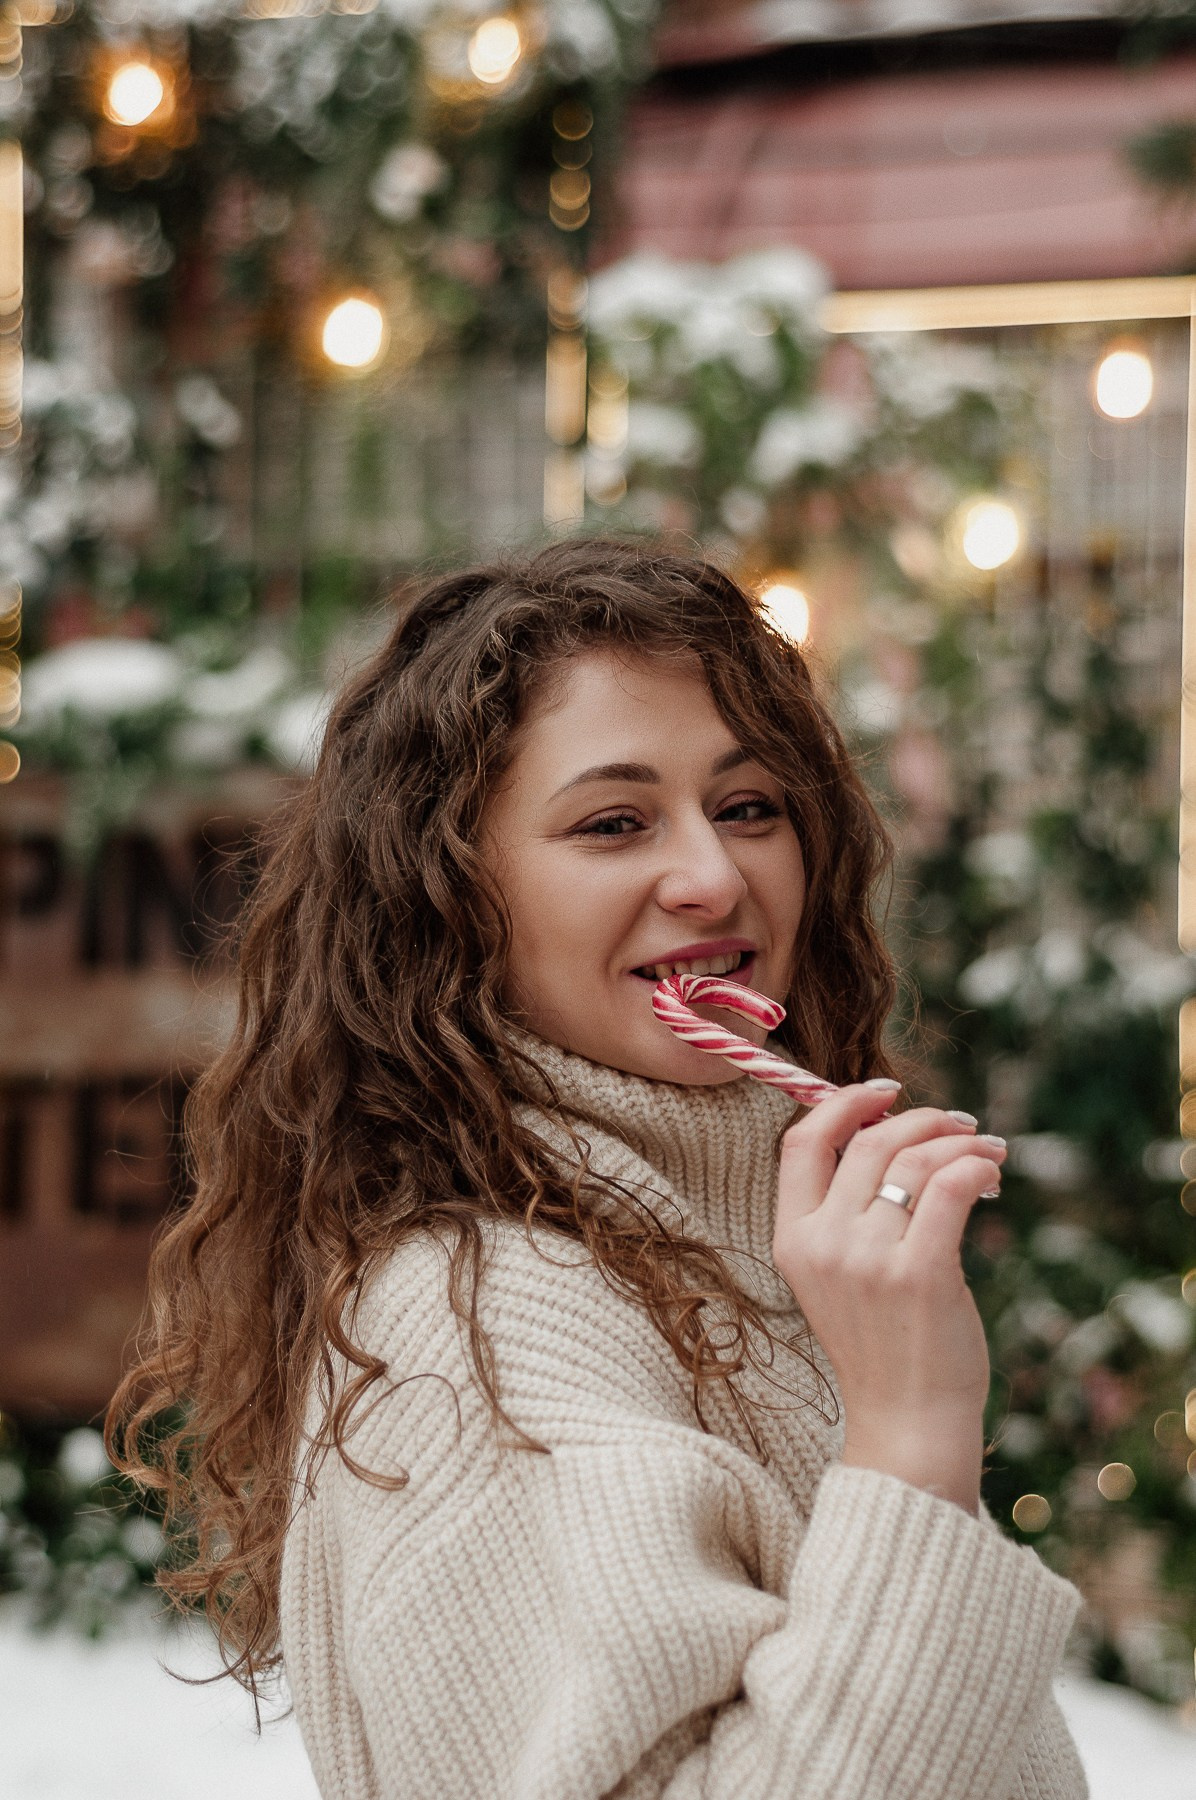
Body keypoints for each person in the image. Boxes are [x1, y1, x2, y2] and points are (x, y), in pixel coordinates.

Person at [108, 539, 1088, 1799]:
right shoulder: (486, 1327)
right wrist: (910, 1431)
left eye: (748, 806)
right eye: (612, 823)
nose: (713, 876)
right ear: (448, 895)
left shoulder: (736, 1235)